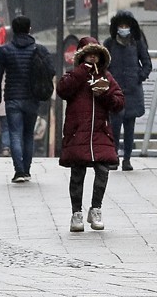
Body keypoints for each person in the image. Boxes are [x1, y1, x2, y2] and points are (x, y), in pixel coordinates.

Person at [58, 36, 125, 232]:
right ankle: (76, 212)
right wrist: (81, 72)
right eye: (89, 55)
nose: (92, 59)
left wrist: (103, 94)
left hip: (100, 132)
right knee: (77, 173)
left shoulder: (106, 77)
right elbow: (62, 89)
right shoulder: (73, 76)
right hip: (78, 132)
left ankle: (96, 208)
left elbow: (119, 101)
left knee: (103, 171)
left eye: (96, 55)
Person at [0, 15, 54, 183]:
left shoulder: (5, 51)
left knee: (14, 133)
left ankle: (18, 170)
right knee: (28, 134)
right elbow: (51, 70)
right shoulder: (38, 49)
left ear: (13, 30)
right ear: (29, 29)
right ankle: (26, 170)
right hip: (32, 98)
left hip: (12, 98)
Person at [104, 11, 152, 171]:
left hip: (132, 91)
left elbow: (147, 63)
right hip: (115, 91)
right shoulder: (109, 43)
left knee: (130, 128)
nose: (124, 29)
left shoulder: (137, 42)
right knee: (115, 127)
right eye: (121, 26)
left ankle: (127, 159)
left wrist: (140, 76)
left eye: (126, 26)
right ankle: (114, 156)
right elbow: (103, 66)